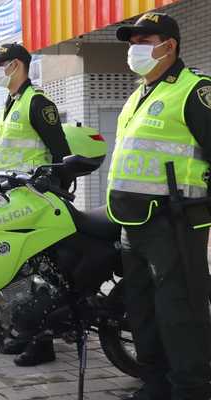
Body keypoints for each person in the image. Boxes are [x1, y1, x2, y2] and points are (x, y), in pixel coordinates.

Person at [108, 13, 211, 400]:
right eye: (132, 41)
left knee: (179, 310)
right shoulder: (138, 95)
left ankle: (191, 388)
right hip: (132, 220)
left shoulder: (194, 89)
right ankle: (155, 382)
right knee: (143, 309)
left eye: (144, 40)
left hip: (175, 220)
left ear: (170, 45)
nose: (135, 49)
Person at [0, 43, 72, 366]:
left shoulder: (37, 103)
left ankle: (42, 343)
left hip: (35, 202)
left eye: (0, 65)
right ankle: (25, 330)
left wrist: (55, 193)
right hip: (11, 199)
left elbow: (61, 154)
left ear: (16, 65)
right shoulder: (12, 102)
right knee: (20, 272)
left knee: (39, 274)